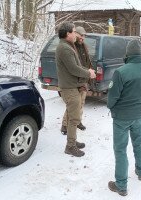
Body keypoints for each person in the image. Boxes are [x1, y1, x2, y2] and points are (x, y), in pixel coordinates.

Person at [107, 39, 141, 196]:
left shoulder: (121, 72)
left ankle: (121, 185)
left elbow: (113, 96)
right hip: (139, 114)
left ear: (127, 53)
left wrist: (111, 106)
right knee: (139, 144)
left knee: (120, 149)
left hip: (121, 117)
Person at [55, 22, 96, 157]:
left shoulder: (67, 46)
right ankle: (70, 146)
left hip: (73, 86)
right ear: (68, 34)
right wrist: (88, 73)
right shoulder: (65, 48)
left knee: (74, 117)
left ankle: (73, 140)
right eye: (74, 31)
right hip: (69, 88)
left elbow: (76, 66)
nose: (76, 34)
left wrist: (87, 70)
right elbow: (73, 69)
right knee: (74, 119)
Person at [60, 26, 93, 135]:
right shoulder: (71, 47)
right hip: (75, 79)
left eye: (84, 36)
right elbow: (73, 67)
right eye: (81, 35)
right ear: (76, 34)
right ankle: (65, 125)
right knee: (73, 105)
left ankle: (78, 121)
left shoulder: (84, 46)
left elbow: (87, 61)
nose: (82, 38)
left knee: (81, 102)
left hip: (83, 78)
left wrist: (89, 73)